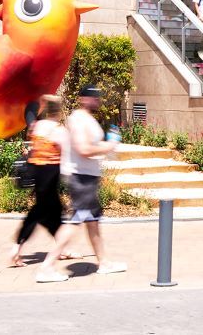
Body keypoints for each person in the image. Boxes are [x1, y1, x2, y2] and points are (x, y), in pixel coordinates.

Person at [36, 86, 124, 281]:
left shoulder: (87, 119)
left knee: (92, 222)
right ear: (83, 99)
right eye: (92, 97)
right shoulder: (77, 119)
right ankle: (47, 267)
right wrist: (110, 145)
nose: (96, 100)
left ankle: (104, 263)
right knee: (76, 221)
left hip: (88, 177)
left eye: (97, 97)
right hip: (80, 177)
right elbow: (83, 148)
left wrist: (106, 144)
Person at [6, 94, 74, 268]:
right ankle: (17, 247)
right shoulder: (60, 131)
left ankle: (62, 247)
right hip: (51, 175)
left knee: (53, 211)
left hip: (37, 173)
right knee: (39, 213)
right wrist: (72, 182)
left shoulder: (38, 127)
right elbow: (66, 161)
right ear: (59, 111)